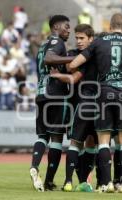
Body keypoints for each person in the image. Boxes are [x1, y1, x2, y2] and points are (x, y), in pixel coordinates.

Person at [69, 13, 122, 193]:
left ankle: (105, 184)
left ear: (110, 26)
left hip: (104, 94)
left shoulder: (99, 41)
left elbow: (73, 64)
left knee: (103, 141)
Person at [50, 24, 97, 192]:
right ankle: (74, 181)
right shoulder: (73, 54)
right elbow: (70, 68)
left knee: (85, 144)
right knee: (80, 144)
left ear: (91, 39)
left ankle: (80, 181)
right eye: (76, 38)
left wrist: (58, 75)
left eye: (82, 38)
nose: (78, 41)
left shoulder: (91, 55)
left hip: (89, 104)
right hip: (76, 104)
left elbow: (73, 74)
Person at [29, 15, 73, 192]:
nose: (69, 30)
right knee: (56, 137)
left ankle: (34, 166)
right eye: (66, 26)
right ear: (56, 27)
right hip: (55, 94)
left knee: (42, 136)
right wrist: (72, 59)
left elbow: (44, 58)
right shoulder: (57, 42)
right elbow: (49, 59)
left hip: (40, 93)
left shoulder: (42, 45)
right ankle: (48, 180)